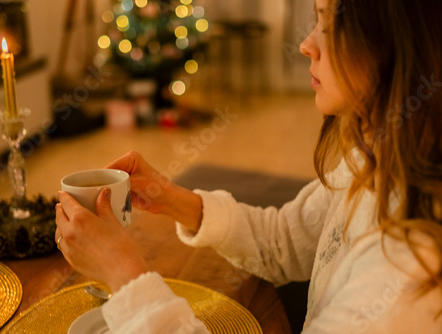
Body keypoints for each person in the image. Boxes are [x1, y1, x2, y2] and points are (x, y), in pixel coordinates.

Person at [55, 0, 442, 332]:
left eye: (331, 23)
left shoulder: (407, 267)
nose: (307, 44)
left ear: (398, 43)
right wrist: (175, 201)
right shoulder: (373, 157)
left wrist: (125, 275)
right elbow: (285, 242)